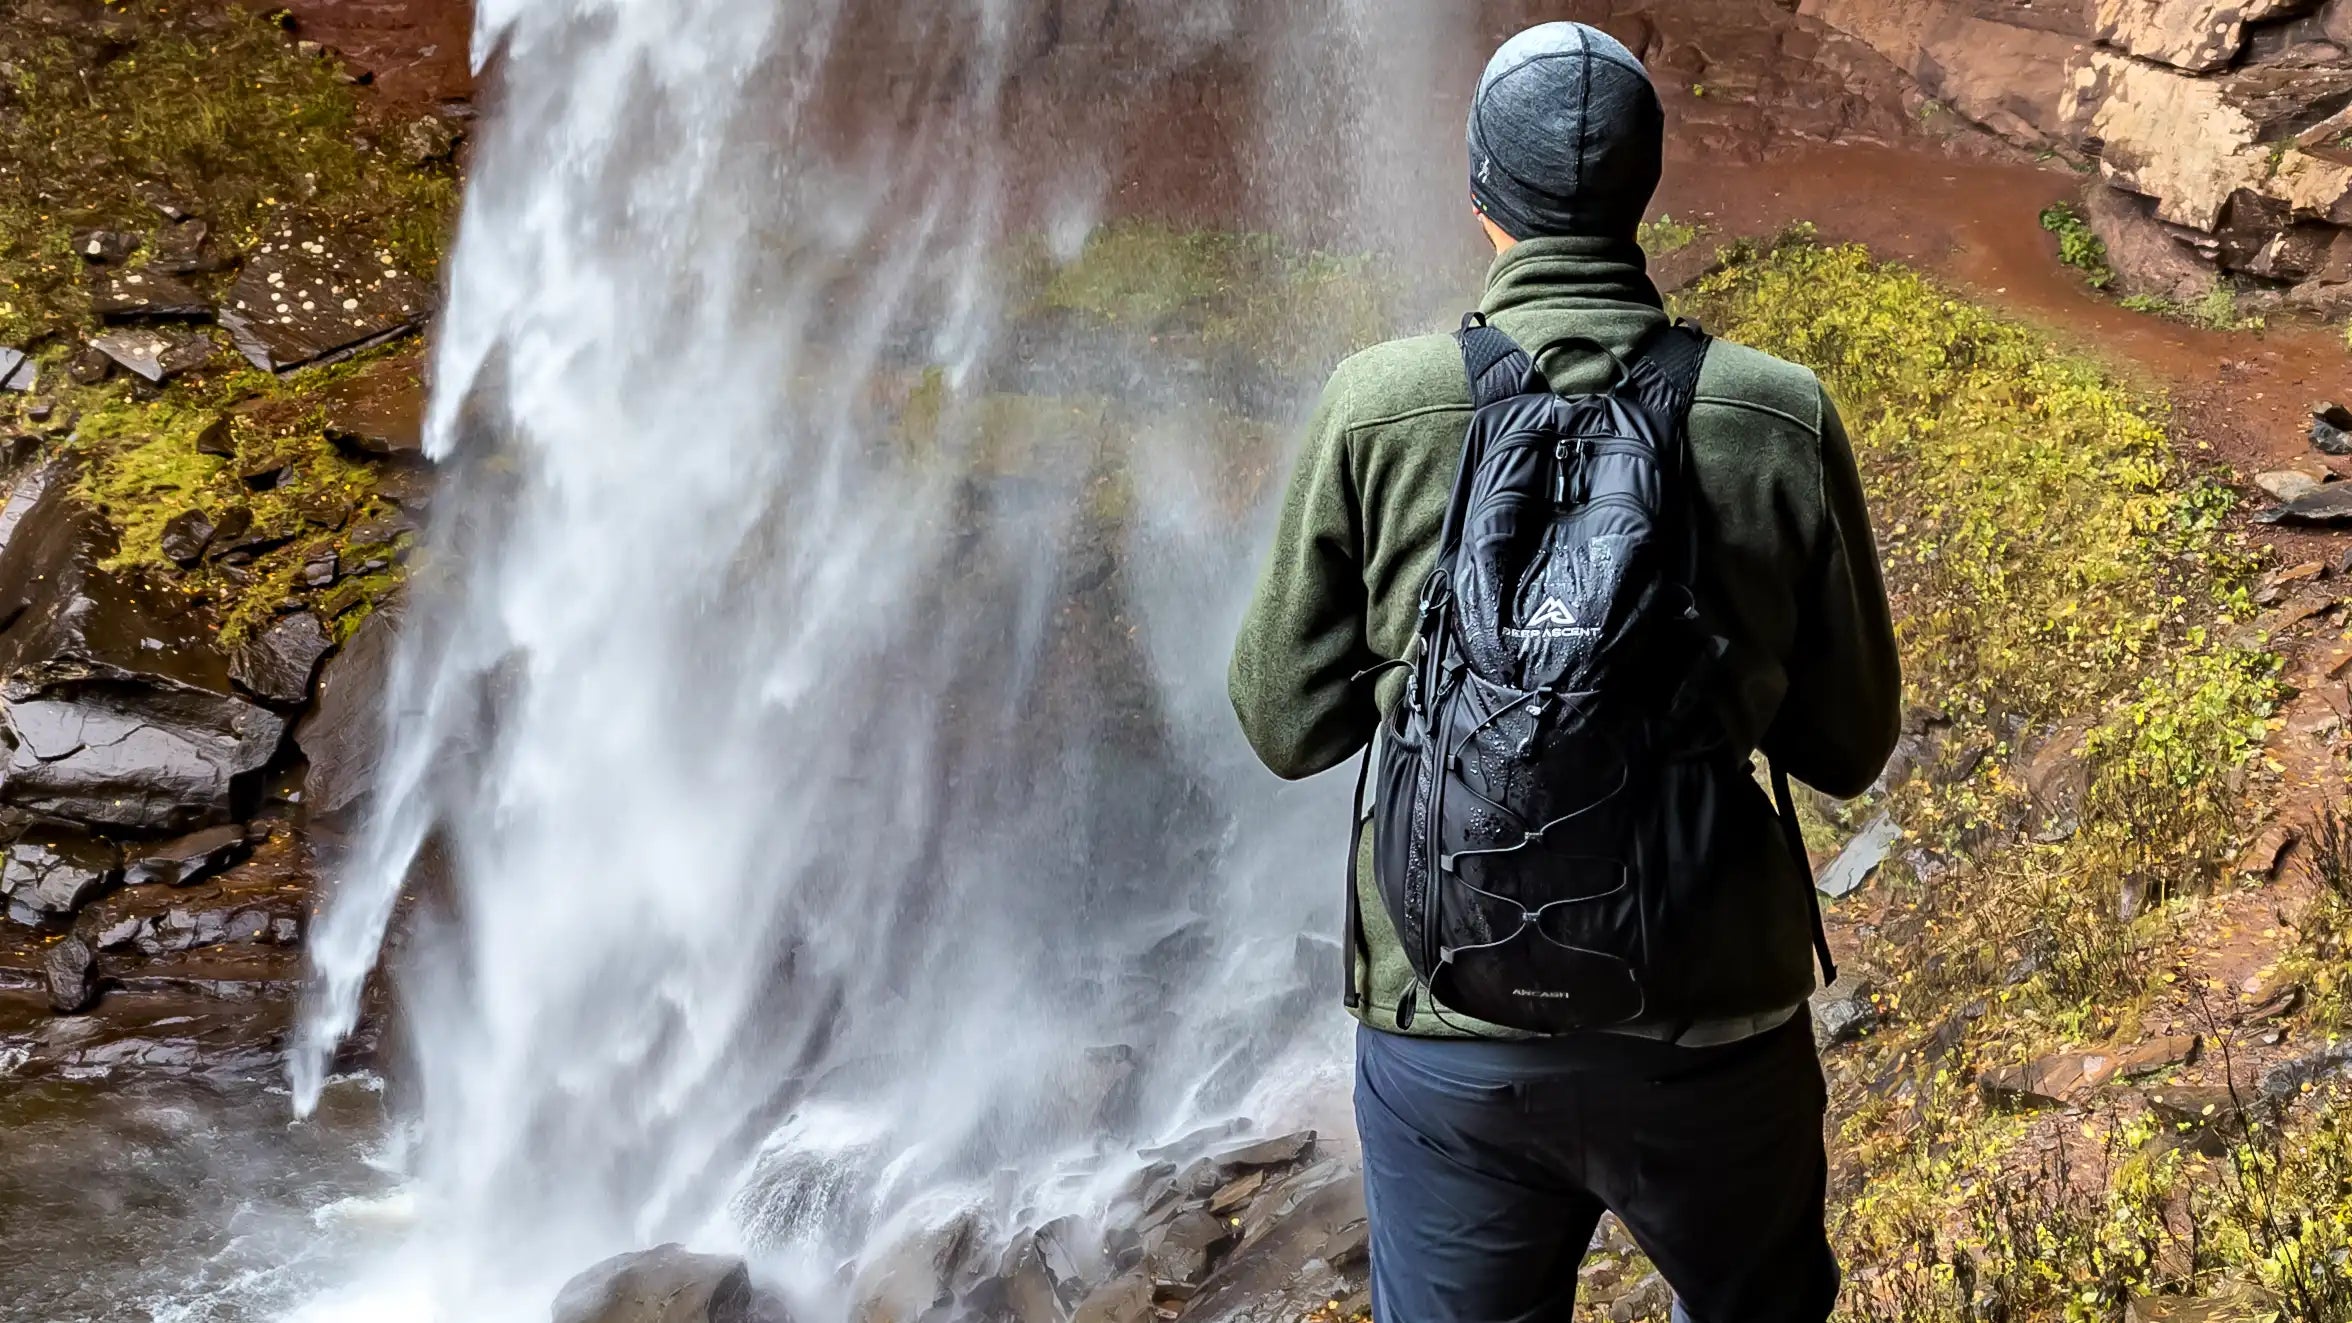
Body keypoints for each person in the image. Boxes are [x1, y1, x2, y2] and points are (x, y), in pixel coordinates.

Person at [1227, 21, 1901, 1323]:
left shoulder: (1376, 406)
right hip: (1712, 1031)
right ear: (1646, 189)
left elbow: (1282, 722)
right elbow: (1847, 744)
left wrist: (1435, 679)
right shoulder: (1776, 412)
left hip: (1447, 1037)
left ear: (1480, 190)